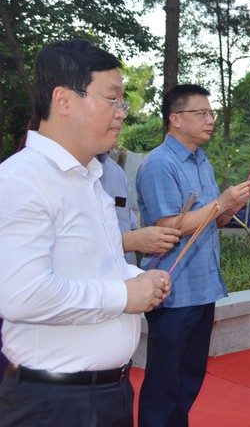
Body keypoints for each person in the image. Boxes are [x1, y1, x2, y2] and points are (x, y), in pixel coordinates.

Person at [0, 39, 171, 427]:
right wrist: (123, 294)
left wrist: (138, 278)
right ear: (63, 101)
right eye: (113, 100)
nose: (122, 113)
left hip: (106, 393)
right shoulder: (22, 180)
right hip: (55, 404)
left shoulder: (91, 178)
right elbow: (23, 296)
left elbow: (99, 265)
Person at [135, 84, 250, 427]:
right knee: (164, 385)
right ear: (175, 119)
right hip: (174, 289)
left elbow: (209, 221)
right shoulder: (160, 163)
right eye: (201, 113)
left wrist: (230, 206)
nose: (210, 120)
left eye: (211, 112)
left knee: (188, 380)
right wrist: (221, 203)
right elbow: (168, 226)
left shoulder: (200, 161)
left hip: (202, 287)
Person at [98, 151, 181, 265]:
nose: (117, 131)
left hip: (128, 276)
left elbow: (130, 224)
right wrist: (130, 241)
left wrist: (151, 239)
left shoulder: (116, 172)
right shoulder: (68, 179)